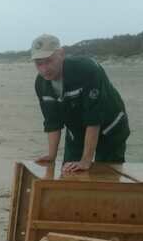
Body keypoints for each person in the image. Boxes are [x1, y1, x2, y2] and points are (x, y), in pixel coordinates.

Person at [31, 34, 130, 174]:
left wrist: (86, 160)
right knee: (69, 171)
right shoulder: (41, 84)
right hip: (77, 130)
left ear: (61, 54)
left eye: (48, 61)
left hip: (110, 127)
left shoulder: (87, 70)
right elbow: (52, 122)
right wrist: (51, 156)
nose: (44, 69)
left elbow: (94, 119)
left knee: (106, 175)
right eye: (38, 63)